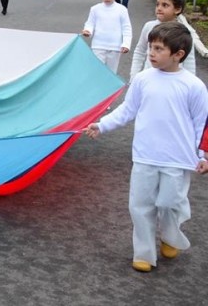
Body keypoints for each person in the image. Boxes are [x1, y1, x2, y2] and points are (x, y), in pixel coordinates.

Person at [84, 22, 208, 273]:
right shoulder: (142, 79)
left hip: (178, 158)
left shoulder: (193, 86)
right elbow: (127, 110)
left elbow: (201, 123)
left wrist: (203, 154)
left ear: (178, 54)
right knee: (140, 204)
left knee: (169, 203)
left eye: (159, 49)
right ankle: (144, 253)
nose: (151, 53)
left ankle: (170, 235)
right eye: (151, 47)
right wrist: (103, 125)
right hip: (145, 155)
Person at [129, 0, 196, 81]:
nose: (159, 8)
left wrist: (190, 83)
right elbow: (140, 51)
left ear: (177, 9)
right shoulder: (149, 26)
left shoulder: (184, 32)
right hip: (148, 79)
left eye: (165, 5)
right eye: (157, 4)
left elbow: (189, 60)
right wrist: (134, 76)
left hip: (173, 80)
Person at [81, 0, 132, 74]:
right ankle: (98, 88)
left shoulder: (122, 10)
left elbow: (127, 28)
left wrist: (126, 44)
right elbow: (90, 23)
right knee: (97, 71)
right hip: (98, 45)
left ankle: (111, 88)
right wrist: (88, 30)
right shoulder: (95, 9)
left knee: (111, 72)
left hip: (115, 47)